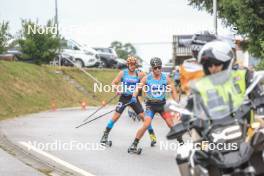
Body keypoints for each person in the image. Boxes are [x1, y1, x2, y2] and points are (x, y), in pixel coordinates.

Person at [176, 40, 264, 138]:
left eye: (217, 63)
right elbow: (190, 105)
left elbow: (259, 96)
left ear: (226, 62)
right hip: (212, 133)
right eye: (209, 64)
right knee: (192, 147)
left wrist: (260, 113)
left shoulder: (242, 75)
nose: (212, 68)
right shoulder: (201, 84)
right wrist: (185, 116)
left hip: (245, 130)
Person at [100, 56, 157, 146]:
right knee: (115, 117)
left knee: (144, 118)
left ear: (136, 65)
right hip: (124, 97)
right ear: (128, 64)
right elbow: (113, 83)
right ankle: (104, 136)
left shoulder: (140, 74)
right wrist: (117, 89)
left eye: (134, 64)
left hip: (134, 98)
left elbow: (147, 83)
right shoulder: (123, 73)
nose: (132, 66)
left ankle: (152, 136)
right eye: (130, 64)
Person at [128, 57, 180, 152]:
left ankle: (181, 143)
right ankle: (134, 145)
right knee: (146, 124)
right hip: (150, 106)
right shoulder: (147, 78)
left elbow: (173, 91)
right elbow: (137, 88)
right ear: (152, 68)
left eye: (159, 67)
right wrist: (133, 97)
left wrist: (176, 102)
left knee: (171, 124)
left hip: (162, 105)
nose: (157, 70)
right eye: (155, 68)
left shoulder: (166, 78)